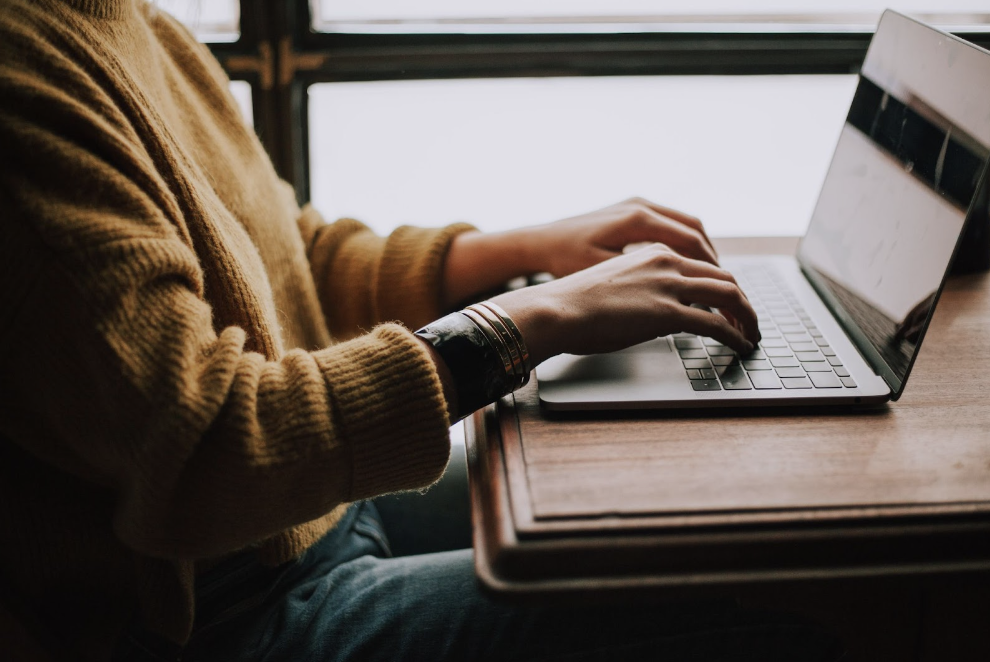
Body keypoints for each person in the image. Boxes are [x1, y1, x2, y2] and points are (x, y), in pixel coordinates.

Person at [0, 1, 842, 661]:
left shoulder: (133, 23)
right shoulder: (25, 78)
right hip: (220, 619)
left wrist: (524, 249)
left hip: (308, 516)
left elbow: (289, 255)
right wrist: (528, 321)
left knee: (698, 510)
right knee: (766, 604)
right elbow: (210, 447)